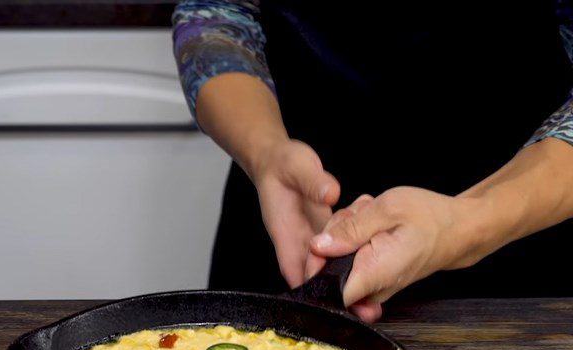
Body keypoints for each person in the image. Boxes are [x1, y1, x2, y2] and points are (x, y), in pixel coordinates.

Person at [173, 2, 573, 321]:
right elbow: (216, 16)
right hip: (290, 214)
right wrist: (264, 152)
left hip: (520, 226)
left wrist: (469, 222)